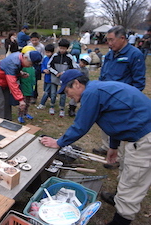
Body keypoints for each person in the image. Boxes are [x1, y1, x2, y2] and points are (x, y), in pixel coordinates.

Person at [40, 69, 151, 225]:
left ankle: (121, 220)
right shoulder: (96, 89)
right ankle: (119, 198)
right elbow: (117, 117)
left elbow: (81, 126)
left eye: (67, 90)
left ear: (77, 84)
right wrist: (113, 146)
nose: (68, 95)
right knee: (126, 170)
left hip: (145, 138)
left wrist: (58, 142)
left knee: (134, 179)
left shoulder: (91, 93)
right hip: (136, 135)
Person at [94, 26, 146, 161]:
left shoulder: (135, 54)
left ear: (122, 38)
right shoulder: (110, 54)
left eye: (112, 40)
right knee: (107, 125)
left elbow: (139, 82)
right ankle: (107, 147)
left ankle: (118, 158)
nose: (109, 43)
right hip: (106, 98)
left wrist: (126, 101)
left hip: (121, 100)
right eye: (107, 40)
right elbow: (104, 73)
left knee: (120, 129)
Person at [0, 50, 42, 121]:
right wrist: (20, 99)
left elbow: (13, 71)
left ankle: (7, 120)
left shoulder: (19, 58)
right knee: (0, 101)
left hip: (5, 80)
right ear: (25, 58)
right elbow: (12, 83)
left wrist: (20, 73)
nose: (30, 66)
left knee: (7, 101)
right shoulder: (13, 62)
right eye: (31, 64)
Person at [47, 38, 77, 117]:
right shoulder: (55, 56)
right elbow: (49, 66)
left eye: (64, 48)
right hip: (54, 78)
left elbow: (73, 68)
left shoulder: (70, 57)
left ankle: (62, 108)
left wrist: (64, 73)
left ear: (67, 49)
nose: (62, 50)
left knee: (63, 95)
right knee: (53, 93)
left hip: (65, 80)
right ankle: (52, 106)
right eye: (60, 48)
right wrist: (56, 73)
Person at [17, 47, 37, 123]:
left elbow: (33, 76)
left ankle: (25, 113)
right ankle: (20, 115)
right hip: (24, 88)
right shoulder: (23, 66)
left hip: (30, 87)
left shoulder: (32, 67)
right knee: (23, 103)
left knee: (28, 102)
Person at [27, 32, 45, 104]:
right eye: (33, 40)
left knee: (35, 81)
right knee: (29, 80)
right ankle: (29, 95)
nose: (34, 42)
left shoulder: (41, 47)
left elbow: (43, 57)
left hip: (37, 65)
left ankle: (34, 96)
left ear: (38, 39)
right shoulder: (29, 46)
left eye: (35, 40)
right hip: (30, 64)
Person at [37, 44, 55, 110]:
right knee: (46, 90)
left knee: (46, 91)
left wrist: (51, 70)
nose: (47, 54)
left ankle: (42, 103)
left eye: (48, 52)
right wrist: (43, 70)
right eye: (46, 52)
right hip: (46, 78)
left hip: (52, 79)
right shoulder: (45, 58)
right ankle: (53, 99)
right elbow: (42, 66)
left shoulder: (54, 59)